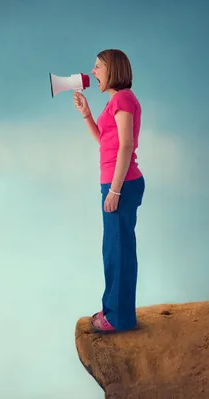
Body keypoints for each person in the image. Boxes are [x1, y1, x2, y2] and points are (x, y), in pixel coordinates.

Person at [73, 49, 145, 333]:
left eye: (98, 67)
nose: (93, 72)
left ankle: (118, 318)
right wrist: (87, 114)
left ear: (113, 70)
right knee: (114, 249)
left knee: (118, 251)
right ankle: (114, 310)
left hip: (122, 184)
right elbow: (105, 141)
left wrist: (114, 192)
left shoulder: (124, 99)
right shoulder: (114, 102)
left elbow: (125, 146)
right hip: (116, 183)